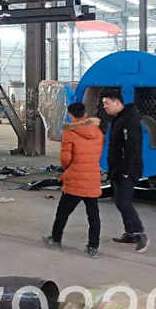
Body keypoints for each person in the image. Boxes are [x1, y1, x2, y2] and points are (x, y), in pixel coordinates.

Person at [43, 102, 104, 257]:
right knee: (93, 215)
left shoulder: (70, 132)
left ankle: (55, 240)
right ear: (85, 114)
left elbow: (65, 159)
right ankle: (93, 247)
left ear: (70, 115)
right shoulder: (97, 132)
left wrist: (68, 170)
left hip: (75, 178)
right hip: (92, 178)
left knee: (63, 212)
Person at [102, 91, 148, 253]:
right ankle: (130, 233)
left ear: (117, 102)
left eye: (107, 103)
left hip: (127, 169)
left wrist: (126, 171)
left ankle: (139, 233)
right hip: (118, 168)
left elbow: (132, 147)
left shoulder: (130, 119)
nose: (104, 107)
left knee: (123, 201)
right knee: (119, 201)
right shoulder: (119, 118)